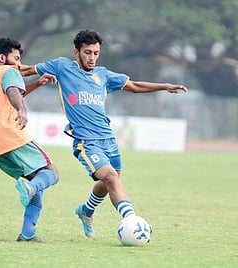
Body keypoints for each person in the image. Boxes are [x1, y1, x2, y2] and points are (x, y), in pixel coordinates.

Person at [21, 30, 188, 238]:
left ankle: (86, 211)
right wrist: (0, 69)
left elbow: (134, 86)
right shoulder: (62, 66)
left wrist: (165, 86)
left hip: (108, 139)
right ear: (77, 52)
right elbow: (25, 70)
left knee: (109, 182)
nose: (92, 57)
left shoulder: (103, 75)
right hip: (86, 141)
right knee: (110, 177)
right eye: (87, 52)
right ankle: (132, 221)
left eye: (96, 53)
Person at [0, 37, 59, 242]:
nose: (19, 64)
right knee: (51, 173)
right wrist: (22, 110)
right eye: (16, 58)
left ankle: (27, 234)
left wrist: (37, 83)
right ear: (3, 57)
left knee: (36, 182)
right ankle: (30, 190)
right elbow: (13, 91)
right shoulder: (9, 72)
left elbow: (10, 92)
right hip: (10, 135)